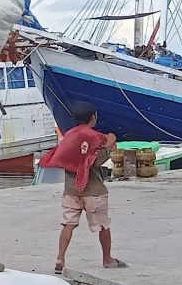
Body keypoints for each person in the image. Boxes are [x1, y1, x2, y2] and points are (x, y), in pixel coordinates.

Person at [39, 102, 126, 274]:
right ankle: (107, 259)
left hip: (71, 189)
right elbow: (96, 159)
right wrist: (110, 144)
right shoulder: (94, 137)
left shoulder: (70, 135)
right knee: (103, 226)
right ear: (93, 118)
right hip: (93, 189)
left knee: (68, 224)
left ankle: (60, 258)